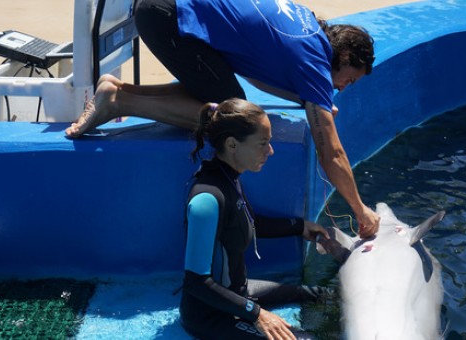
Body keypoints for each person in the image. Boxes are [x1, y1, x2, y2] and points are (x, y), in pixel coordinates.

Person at [65, 0, 380, 238]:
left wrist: (307, 99)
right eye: (349, 80)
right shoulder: (314, 61)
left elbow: (257, 71)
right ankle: (121, 102)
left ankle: (118, 91)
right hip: (168, 17)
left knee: (225, 94)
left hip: (163, 8)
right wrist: (360, 210)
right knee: (235, 121)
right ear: (347, 57)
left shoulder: (307, 25)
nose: (341, 87)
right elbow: (332, 153)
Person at [182, 98, 330, 339]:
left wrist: (300, 227)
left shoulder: (230, 178)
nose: (270, 151)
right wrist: (258, 314)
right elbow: (196, 282)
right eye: (263, 144)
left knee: (320, 294)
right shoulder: (206, 201)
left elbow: (250, 222)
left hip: (239, 292)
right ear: (232, 144)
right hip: (210, 313)